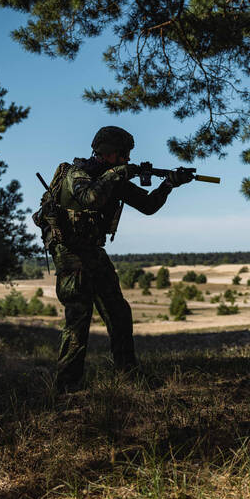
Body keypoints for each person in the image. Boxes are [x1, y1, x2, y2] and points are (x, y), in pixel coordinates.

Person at [49, 126, 192, 391]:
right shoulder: (76, 174)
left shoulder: (112, 179)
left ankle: (129, 375)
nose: (127, 158)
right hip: (71, 254)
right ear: (107, 152)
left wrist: (169, 185)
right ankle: (67, 387)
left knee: (119, 314)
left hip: (94, 252)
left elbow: (148, 205)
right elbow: (90, 198)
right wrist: (117, 174)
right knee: (78, 318)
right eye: (123, 153)